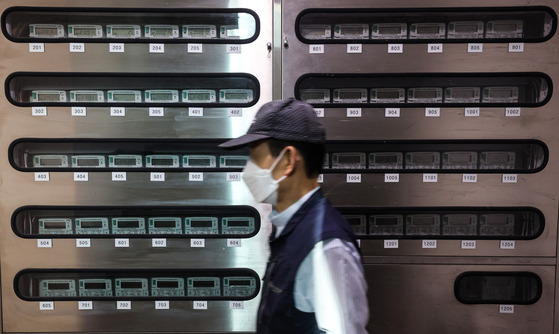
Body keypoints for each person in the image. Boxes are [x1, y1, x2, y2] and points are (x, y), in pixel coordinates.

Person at [219, 98, 369, 334]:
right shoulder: (292, 229)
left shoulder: (326, 247)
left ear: (288, 160)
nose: (248, 169)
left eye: (254, 157)